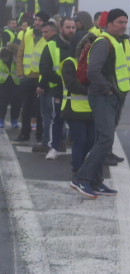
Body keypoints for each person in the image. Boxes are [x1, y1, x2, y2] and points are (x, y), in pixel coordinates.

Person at [70, 9, 130, 199]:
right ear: (109, 23)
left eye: (125, 22)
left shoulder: (115, 42)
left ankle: (96, 182)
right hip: (103, 96)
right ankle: (81, 178)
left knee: (103, 140)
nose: (123, 26)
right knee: (105, 139)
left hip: (111, 97)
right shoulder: (104, 43)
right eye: (119, 22)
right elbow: (93, 72)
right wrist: (107, 90)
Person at [38, 18, 76, 159]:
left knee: (77, 120)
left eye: (73, 27)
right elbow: (45, 68)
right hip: (59, 89)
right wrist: (62, 81)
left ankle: (79, 150)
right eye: (68, 27)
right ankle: (53, 148)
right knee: (57, 119)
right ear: (61, 29)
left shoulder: (79, 45)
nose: (71, 30)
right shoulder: (52, 45)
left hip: (76, 90)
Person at [61, 32, 96, 175]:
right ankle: (77, 168)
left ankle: (78, 161)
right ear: (78, 45)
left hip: (90, 108)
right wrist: (92, 90)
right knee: (80, 139)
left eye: (91, 43)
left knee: (92, 140)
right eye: (86, 43)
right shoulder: (70, 62)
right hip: (73, 108)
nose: (89, 46)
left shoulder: (94, 62)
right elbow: (71, 84)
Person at [14, 12, 49, 146]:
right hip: (26, 76)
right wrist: (20, 73)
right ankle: (24, 134)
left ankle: (40, 136)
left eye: (40, 20)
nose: (38, 22)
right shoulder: (27, 33)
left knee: (39, 109)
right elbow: (20, 53)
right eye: (36, 20)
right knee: (26, 107)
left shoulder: (47, 35)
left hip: (39, 77)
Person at [0, 43, 21, 129]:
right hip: (2, 83)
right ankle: (1, 119)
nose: (4, 60)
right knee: (2, 102)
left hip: (15, 82)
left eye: (6, 58)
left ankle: (14, 120)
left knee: (16, 102)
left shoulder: (15, 58)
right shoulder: (2, 54)